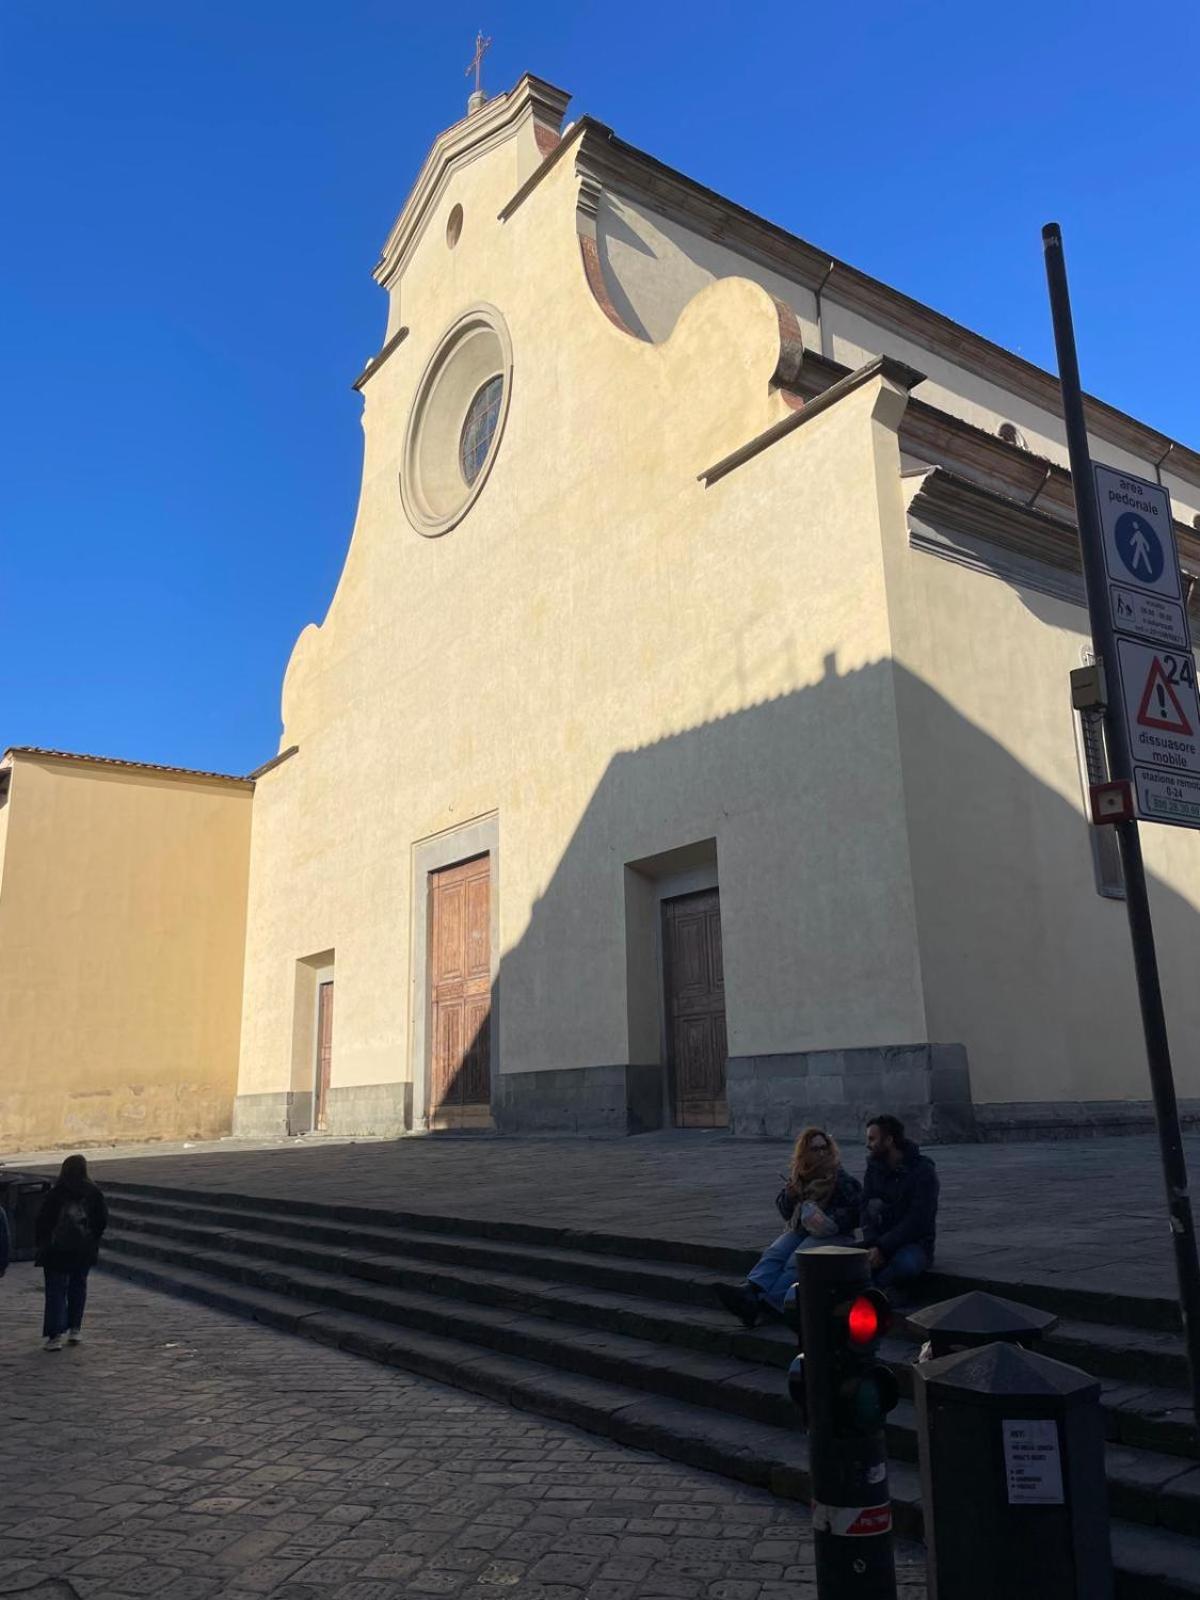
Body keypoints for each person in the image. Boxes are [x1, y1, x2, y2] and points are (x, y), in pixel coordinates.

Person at [714, 1128, 861, 1328]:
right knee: (777, 1251)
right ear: (805, 1152)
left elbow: (856, 1211)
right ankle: (751, 1290)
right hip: (803, 1229)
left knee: (797, 1258)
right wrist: (790, 1197)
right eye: (814, 1149)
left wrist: (828, 1218)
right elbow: (785, 1212)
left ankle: (769, 1303)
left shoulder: (839, 1178)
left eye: (824, 1148)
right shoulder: (800, 1177)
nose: (820, 1153)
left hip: (834, 1233)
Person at [34, 1154, 108, 1351]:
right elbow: (101, 1220)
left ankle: (55, 1335)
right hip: (83, 1249)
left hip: (57, 1250)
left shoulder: (56, 1193)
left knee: (56, 1291)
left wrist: (42, 1243)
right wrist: (91, 1238)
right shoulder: (93, 1192)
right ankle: (75, 1329)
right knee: (78, 1286)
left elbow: (43, 1221)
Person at [861, 1114, 939, 1295]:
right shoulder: (874, 1169)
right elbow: (864, 1208)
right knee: (842, 1261)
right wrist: (873, 1244)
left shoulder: (922, 1171)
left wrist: (882, 1247)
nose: (868, 1145)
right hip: (878, 1241)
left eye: (872, 1139)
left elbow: (918, 1219)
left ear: (889, 1140)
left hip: (915, 1243)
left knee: (905, 1265)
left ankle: (870, 1295)